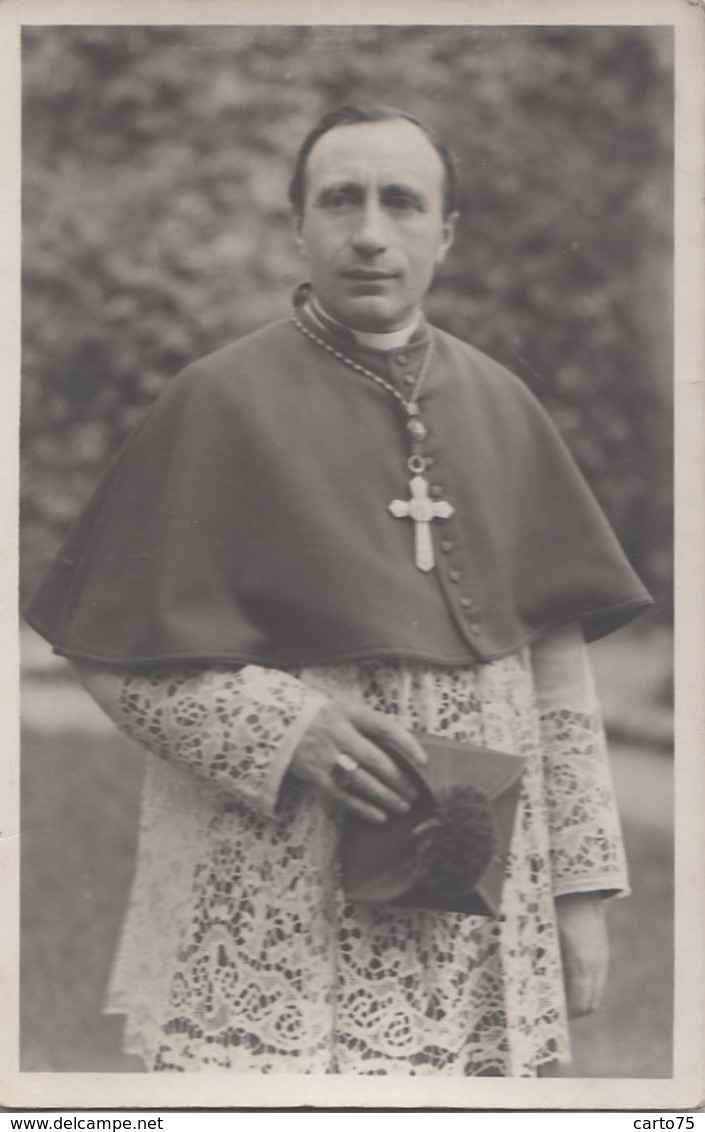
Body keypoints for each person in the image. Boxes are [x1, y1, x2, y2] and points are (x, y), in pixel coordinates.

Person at [25, 104, 653, 1076]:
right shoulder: (217, 400)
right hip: (278, 884)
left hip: (482, 904)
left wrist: (581, 898)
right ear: (298, 226)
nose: (369, 232)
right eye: (340, 200)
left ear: (444, 233)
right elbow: (109, 657)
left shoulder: (505, 403)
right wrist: (289, 728)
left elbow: (559, 688)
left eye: (402, 203)